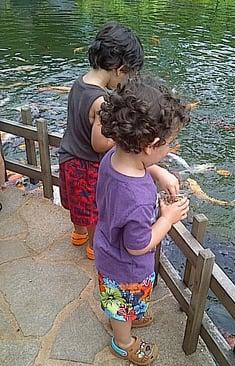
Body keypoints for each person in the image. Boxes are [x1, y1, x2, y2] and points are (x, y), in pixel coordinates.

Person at [94, 77, 190, 366]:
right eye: (169, 144)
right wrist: (168, 218)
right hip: (126, 266)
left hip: (106, 248)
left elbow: (136, 167)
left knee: (124, 301)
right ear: (150, 146)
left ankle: (131, 313)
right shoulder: (134, 197)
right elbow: (138, 245)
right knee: (121, 306)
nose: (171, 148)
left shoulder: (113, 155)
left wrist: (159, 172)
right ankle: (123, 342)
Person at [58, 22, 144, 260]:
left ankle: (78, 234)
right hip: (86, 164)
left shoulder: (79, 83)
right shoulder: (102, 101)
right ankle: (94, 247)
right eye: (128, 75)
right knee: (94, 209)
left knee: (77, 205)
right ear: (119, 68)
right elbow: (99, 144)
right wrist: (118, 137)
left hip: (68, 157)